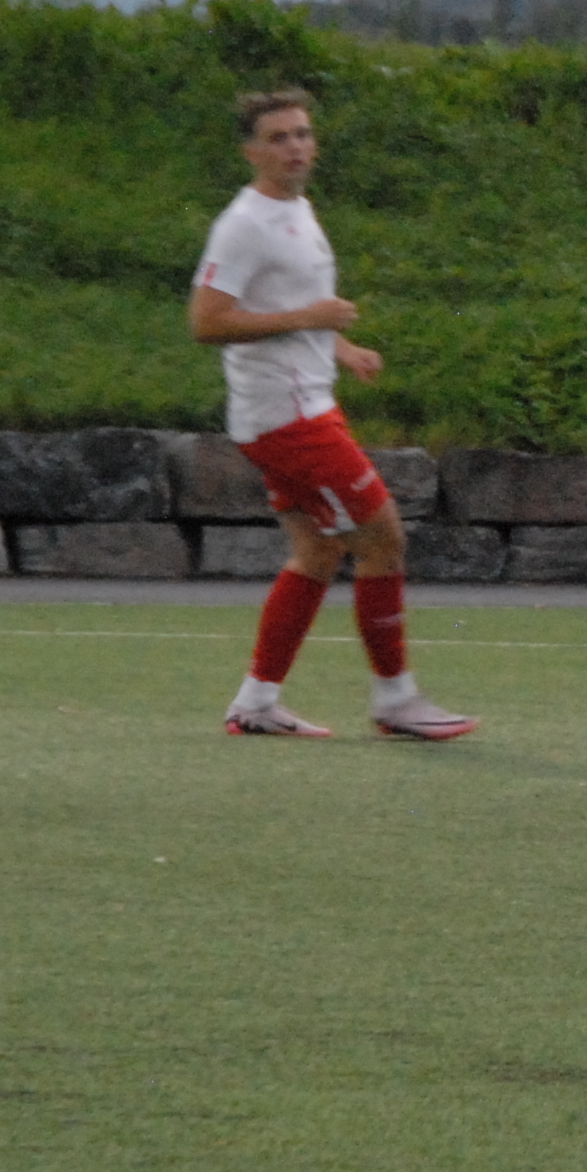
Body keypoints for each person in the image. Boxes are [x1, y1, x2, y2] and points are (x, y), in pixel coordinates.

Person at [194, 87, 475, 743]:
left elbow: (290, 306)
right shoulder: (244, 224)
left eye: (302, 134)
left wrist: (340, 347)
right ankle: (396, 700)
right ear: (251, 152)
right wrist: (312, 318)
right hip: (286, 416)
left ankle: (256, 703)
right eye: (278, 137)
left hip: (304, 404)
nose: (295, 147)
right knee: (383, 539)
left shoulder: (297, 209)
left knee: (317, 550)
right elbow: (207, 322)